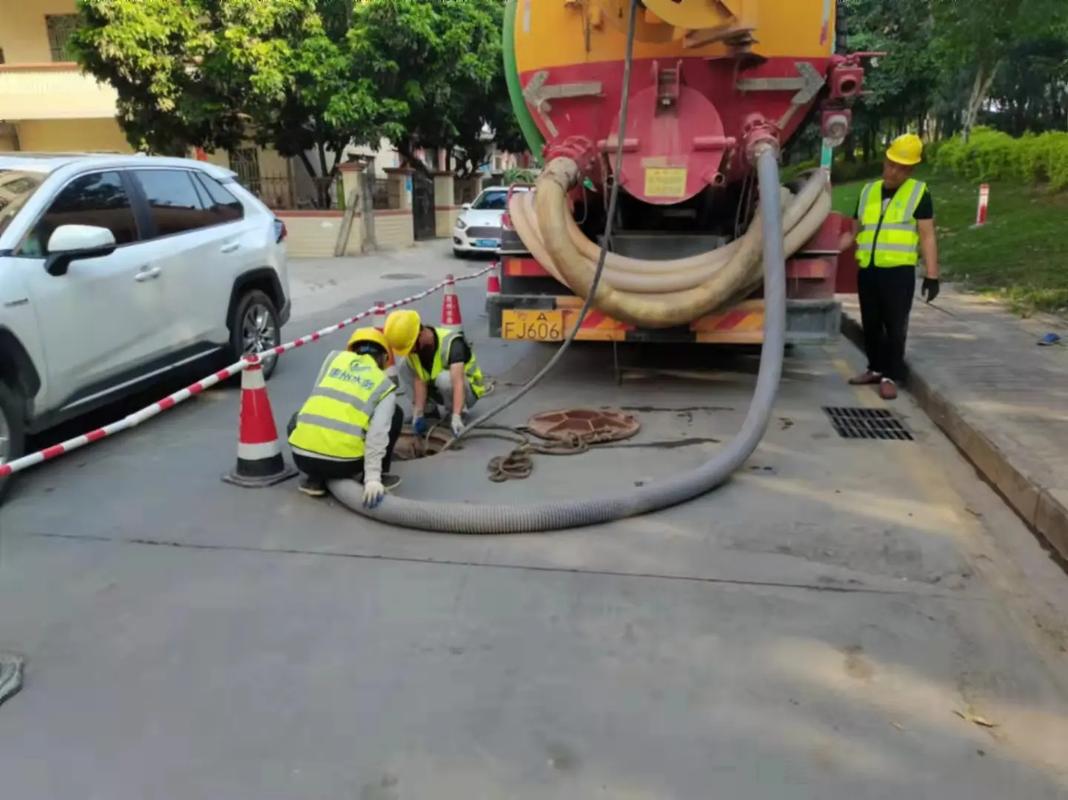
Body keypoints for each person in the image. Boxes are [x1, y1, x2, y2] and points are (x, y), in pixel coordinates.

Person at [839, 133, 940, 401]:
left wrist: (932, 275)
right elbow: (854, 230)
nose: (893, 172)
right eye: (890, 164)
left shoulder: (919, 193)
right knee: (871, 324)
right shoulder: (867, 191)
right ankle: (874, 368)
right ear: (885, 160)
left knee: (895, 326)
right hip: (869, 269)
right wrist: (833, 249)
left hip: (898, 272)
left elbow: (927, 235)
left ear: (911, 169)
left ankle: (890, 376)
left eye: (901, 168)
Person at [287, 328, 403, 506]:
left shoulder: (333, 360)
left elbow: (316, 398)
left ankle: (314, 479)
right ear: (383, 358)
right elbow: (378, 433)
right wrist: (372, 478)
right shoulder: (383, 385)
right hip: (344, 465)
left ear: (351, 350)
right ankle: (378, 475)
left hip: (301, 458)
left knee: (300, 416)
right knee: (396, 414)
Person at [383, 310, 487, 437]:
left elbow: (458, 382)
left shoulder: (452, 344)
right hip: (439, 388)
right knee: (404, 365)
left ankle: (459, 413)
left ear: (419, 335)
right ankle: (429, 411)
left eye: (411, 348)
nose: (410, 352)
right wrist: (419, 413)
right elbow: (419, 380)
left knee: (444, 378)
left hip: (468, 391)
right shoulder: (416, 350)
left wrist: (456, 416)